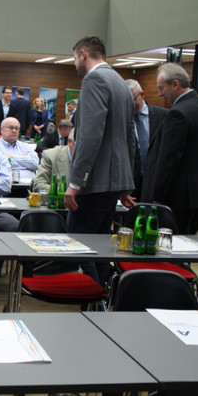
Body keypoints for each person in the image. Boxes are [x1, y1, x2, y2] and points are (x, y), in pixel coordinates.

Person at [65, 36, 135, 285]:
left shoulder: (94, 79)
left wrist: (75, 182)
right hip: (113, 182)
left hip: (94, 181)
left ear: (83, 54)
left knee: (79, 244)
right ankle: (102, 298)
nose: (75, 64)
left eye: (75, 58)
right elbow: (130, 138)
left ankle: (95, 294)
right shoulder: (121, 83)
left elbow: (89, 136)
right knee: (102, 245)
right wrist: (125, 185)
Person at [139, 63, 198, 233]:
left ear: (175, 84)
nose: (159, 94)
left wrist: (155, 199)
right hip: (197, 197)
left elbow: (168, 160)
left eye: (161, 88)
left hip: (174, 199)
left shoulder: (178, 114)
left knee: (168, 244)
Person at [125, 79, 167, 200]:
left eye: (132, 100)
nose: (129, 105)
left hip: (156, 182)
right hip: (131, 184)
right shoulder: (121, 120)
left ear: (142, 95)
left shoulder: (164, 116)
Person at [32, 128, 74, 193]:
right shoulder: (51, 156)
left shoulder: (90, 158)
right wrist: (62, 191)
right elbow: (39, 185)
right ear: (69, 141)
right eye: (80, 145)